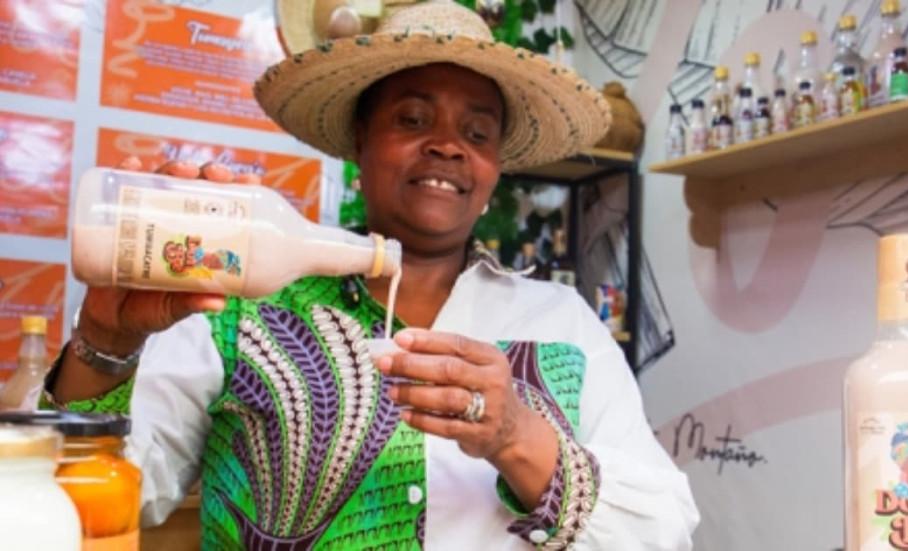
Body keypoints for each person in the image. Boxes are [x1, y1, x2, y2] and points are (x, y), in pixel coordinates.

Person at [45, 2, 699, 549]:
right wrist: (106, 342)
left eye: (478, 133)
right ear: (360, 140)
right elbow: (77, 506)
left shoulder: (561, 321)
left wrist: (515, 435)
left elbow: (664, 527)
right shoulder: (242, 304)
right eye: (412, 119)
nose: (448, 145)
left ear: (495, 167)